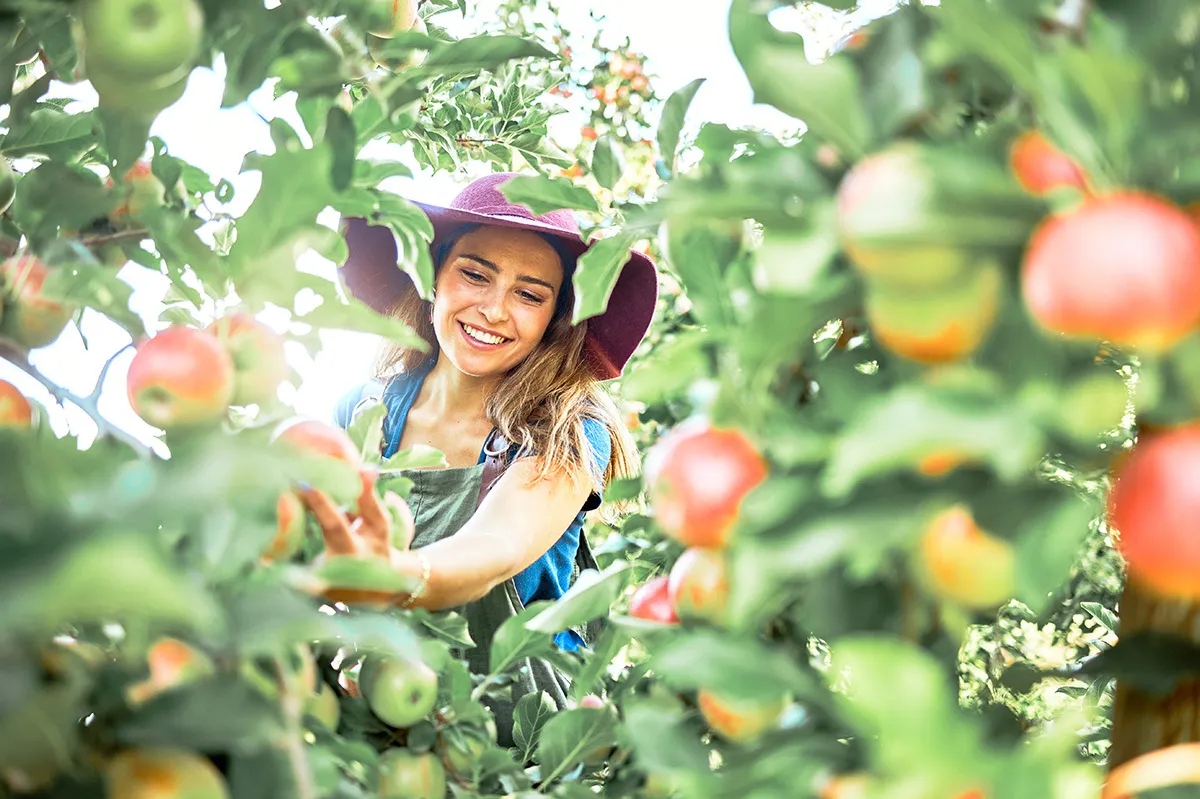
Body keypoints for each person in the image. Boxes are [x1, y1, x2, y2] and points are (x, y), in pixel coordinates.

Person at [299, 172, 658, 744]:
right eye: (475, 274)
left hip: (514, 748)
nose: (493, 310)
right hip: (380, 726)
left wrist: (394, 576)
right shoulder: (363, 413)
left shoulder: (565, 429)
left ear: (554, 317)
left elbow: (497, 547)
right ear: (432, 275)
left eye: (529, 294)